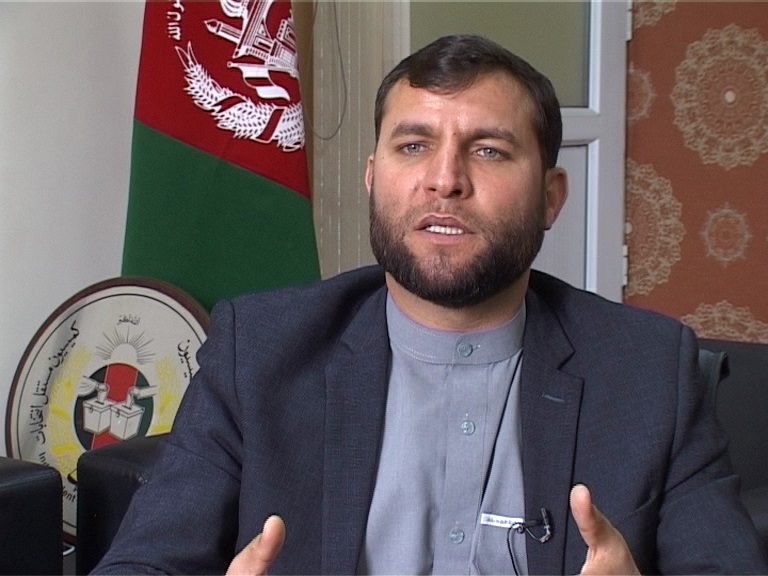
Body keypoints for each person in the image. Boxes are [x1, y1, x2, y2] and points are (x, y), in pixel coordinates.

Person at [94, 34, 767, 575]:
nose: (445, 180)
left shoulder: (649, 370)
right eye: (413, 146)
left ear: (551, 197)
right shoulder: (261, 352)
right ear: (373, 178)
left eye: (489, 150)